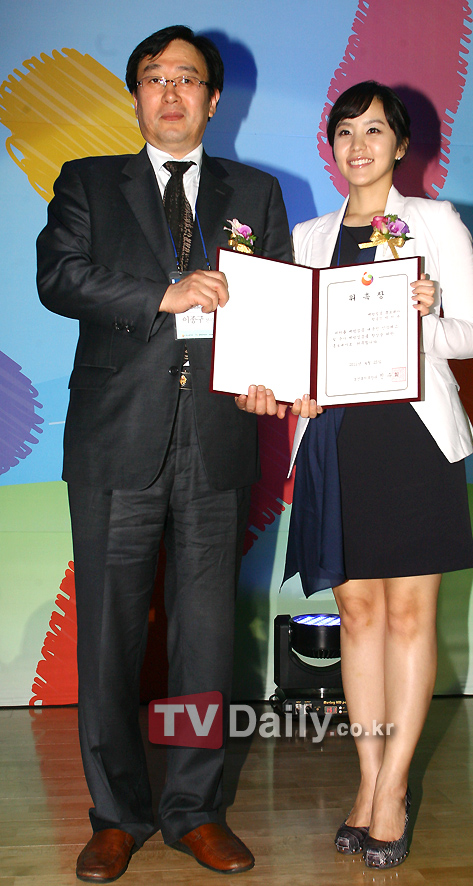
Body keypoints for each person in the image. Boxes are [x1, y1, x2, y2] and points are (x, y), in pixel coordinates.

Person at [36, 24, 302, 881]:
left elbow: (278, 306)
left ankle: (194, 810)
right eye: (155, 77)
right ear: (136, 96)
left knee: (204, 640)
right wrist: (164, 292)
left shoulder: (255, 192)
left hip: (217, 441)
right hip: (115, 438)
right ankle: (116, 816)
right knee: (108, 638)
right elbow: (59, 277)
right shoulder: (87, 182)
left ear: (214, 100)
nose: (172, 92)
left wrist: (272, 377)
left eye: (187, 78)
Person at [284, 81, 473, 869]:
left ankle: (395, 788)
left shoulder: (435, 222)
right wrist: (290, 383)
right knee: (357, 616)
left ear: (401, 146)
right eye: (345, 131)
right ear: (332, 147)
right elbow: (295, 347)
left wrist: (425, 315)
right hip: (336, 440)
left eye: (374, 131)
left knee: (408, 617)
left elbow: (472, 335)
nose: (358, 144)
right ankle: (368, 780)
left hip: (412, 440)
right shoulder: (307, 237)